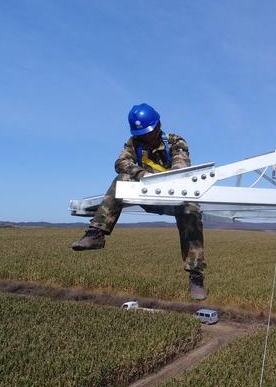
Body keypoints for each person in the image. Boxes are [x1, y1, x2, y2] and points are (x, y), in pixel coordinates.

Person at [71, 103, 208, 300]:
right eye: (141, 134)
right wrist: (141, 174)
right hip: (146, 194)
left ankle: (196, 276)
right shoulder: (134, 143)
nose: (145, 137)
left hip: (173, 196)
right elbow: (121, 163)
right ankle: (96, 234)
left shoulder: (175, 142)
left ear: (158, 126)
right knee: (121, 181)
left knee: (191, 210)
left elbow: (181, 169)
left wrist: (155, 179)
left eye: (148, 133)